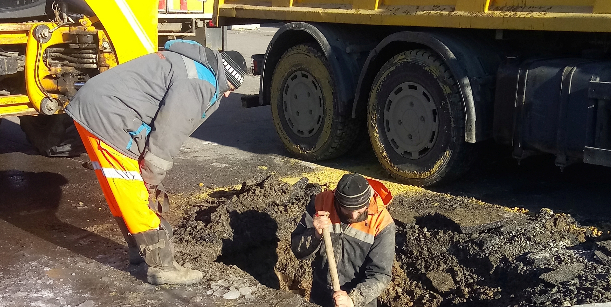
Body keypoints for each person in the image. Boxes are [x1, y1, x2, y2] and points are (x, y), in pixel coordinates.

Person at [65, 39, 247, 286]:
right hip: (110, 117)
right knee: (135, 191)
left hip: (95, 108)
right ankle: (161, 265)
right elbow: (167, 135)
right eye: (230, 88)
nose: (227, 94)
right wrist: (150, 179)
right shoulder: (200, 82)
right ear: (226, 78)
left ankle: (140, 256)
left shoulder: (191, 65)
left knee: (121, 190)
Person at [291, 173, 395, 307]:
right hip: (321, 295)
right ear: (337, 201)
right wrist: (315, 234)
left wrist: (353, 299)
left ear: (368, 201)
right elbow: (297, 250)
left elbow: (380, 275)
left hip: (360, 302)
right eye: (347, 210)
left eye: (359, 210)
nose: (353, 215)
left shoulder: (381, 223)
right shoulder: (321, 203)